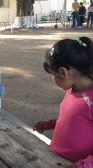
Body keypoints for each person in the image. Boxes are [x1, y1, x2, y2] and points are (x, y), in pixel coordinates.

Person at [33, 37, 93, 168]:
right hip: (55, 158)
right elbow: (73, 119)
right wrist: (50, 124)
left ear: (64, 72)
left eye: (52, 74)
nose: (52, 79)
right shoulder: (73, 89)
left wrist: (83, 166)